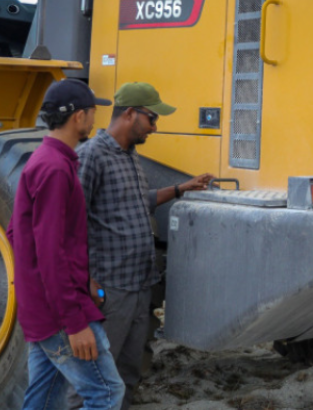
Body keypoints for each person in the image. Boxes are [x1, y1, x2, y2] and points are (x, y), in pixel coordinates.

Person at [68, 82, 212, 410]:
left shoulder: (132, 156)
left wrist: (181, 188)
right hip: (110, 290)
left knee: (128, 374)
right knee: (93, 378)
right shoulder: (90, 156)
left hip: (139, 285)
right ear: (129, 113)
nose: (155, 127)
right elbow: (70, 223)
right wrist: (87, 282)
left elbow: (136, 203)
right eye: (151, 119)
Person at [7, 79, 124, 410]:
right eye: (92, 112)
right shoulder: (56, 169)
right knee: (106, 393)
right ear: (78, 117)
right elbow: (49, 253)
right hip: (60, 315)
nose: (94, 119)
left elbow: (16, 233)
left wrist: (79, 280)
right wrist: (73, 322)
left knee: (44, 400)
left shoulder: (41, 160)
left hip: (44, 309)